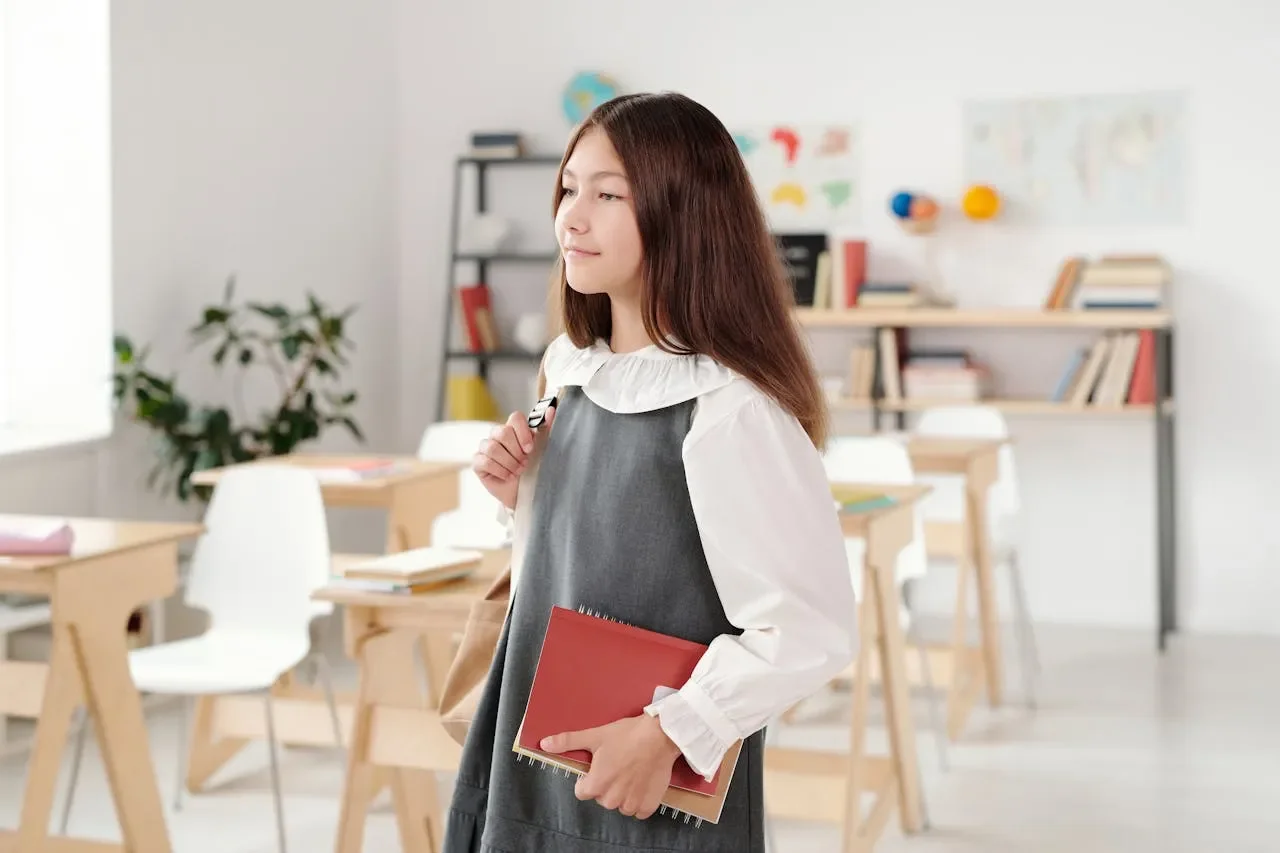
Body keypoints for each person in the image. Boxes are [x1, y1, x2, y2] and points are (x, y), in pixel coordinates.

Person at [443, 91, 857, 853]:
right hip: (532, 752)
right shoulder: (569, 371)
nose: (571, 218)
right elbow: (585, 566)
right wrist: (520, 498)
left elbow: (810, 629)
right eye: (569, 189)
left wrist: (669, 731)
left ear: (684, 213)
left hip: (644, 780)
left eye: (607, 195)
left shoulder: (731, 408)